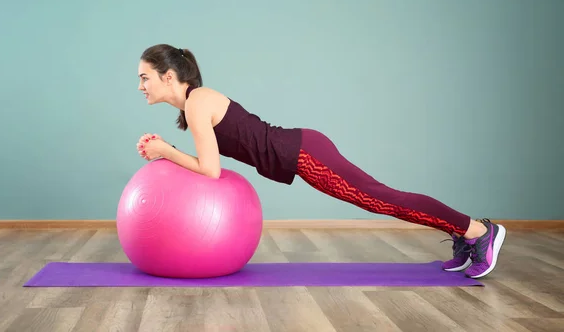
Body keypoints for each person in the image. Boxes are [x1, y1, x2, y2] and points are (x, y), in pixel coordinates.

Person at [135, 43, 506, 279]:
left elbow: (211, 170)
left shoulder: (198, 102)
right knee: (382, 197)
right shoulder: (194, 105)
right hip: (301, 151)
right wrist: (166, 149)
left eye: (145, 77)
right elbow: (209, 164)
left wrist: (165, 150)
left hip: (305, 154)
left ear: (169, 77)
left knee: (382, 198)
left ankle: (477, 231)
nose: (141, 86)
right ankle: (464, 233)